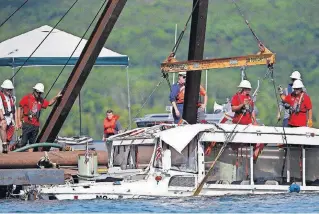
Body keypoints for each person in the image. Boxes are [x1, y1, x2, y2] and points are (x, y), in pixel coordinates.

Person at [16, 83, 62, 149]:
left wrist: (56, 97)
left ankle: (30, 158)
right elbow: (20, 108)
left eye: (40, 93)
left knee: (32, 144)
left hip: (35, 126)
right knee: (23, 142)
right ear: (34, 91)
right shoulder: (27, 98)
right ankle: (16, 153)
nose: (39, 94)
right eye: (38, 93)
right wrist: (19, 121)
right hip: (27, 124)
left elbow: (49, 103)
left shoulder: (40, 100)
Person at [0, 80, 17, 153]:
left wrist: (16, 121)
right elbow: (0, 109)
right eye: (7, 89)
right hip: (3, 117)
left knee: (11, 134)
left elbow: (15, 110)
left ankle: (8, 147)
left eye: (10, 89)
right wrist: (3, 119)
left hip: (10, 119)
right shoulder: (0, 97)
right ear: (3, 89)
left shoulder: (12, 98)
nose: (9, 91)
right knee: (3, 126)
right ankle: (4, 146)